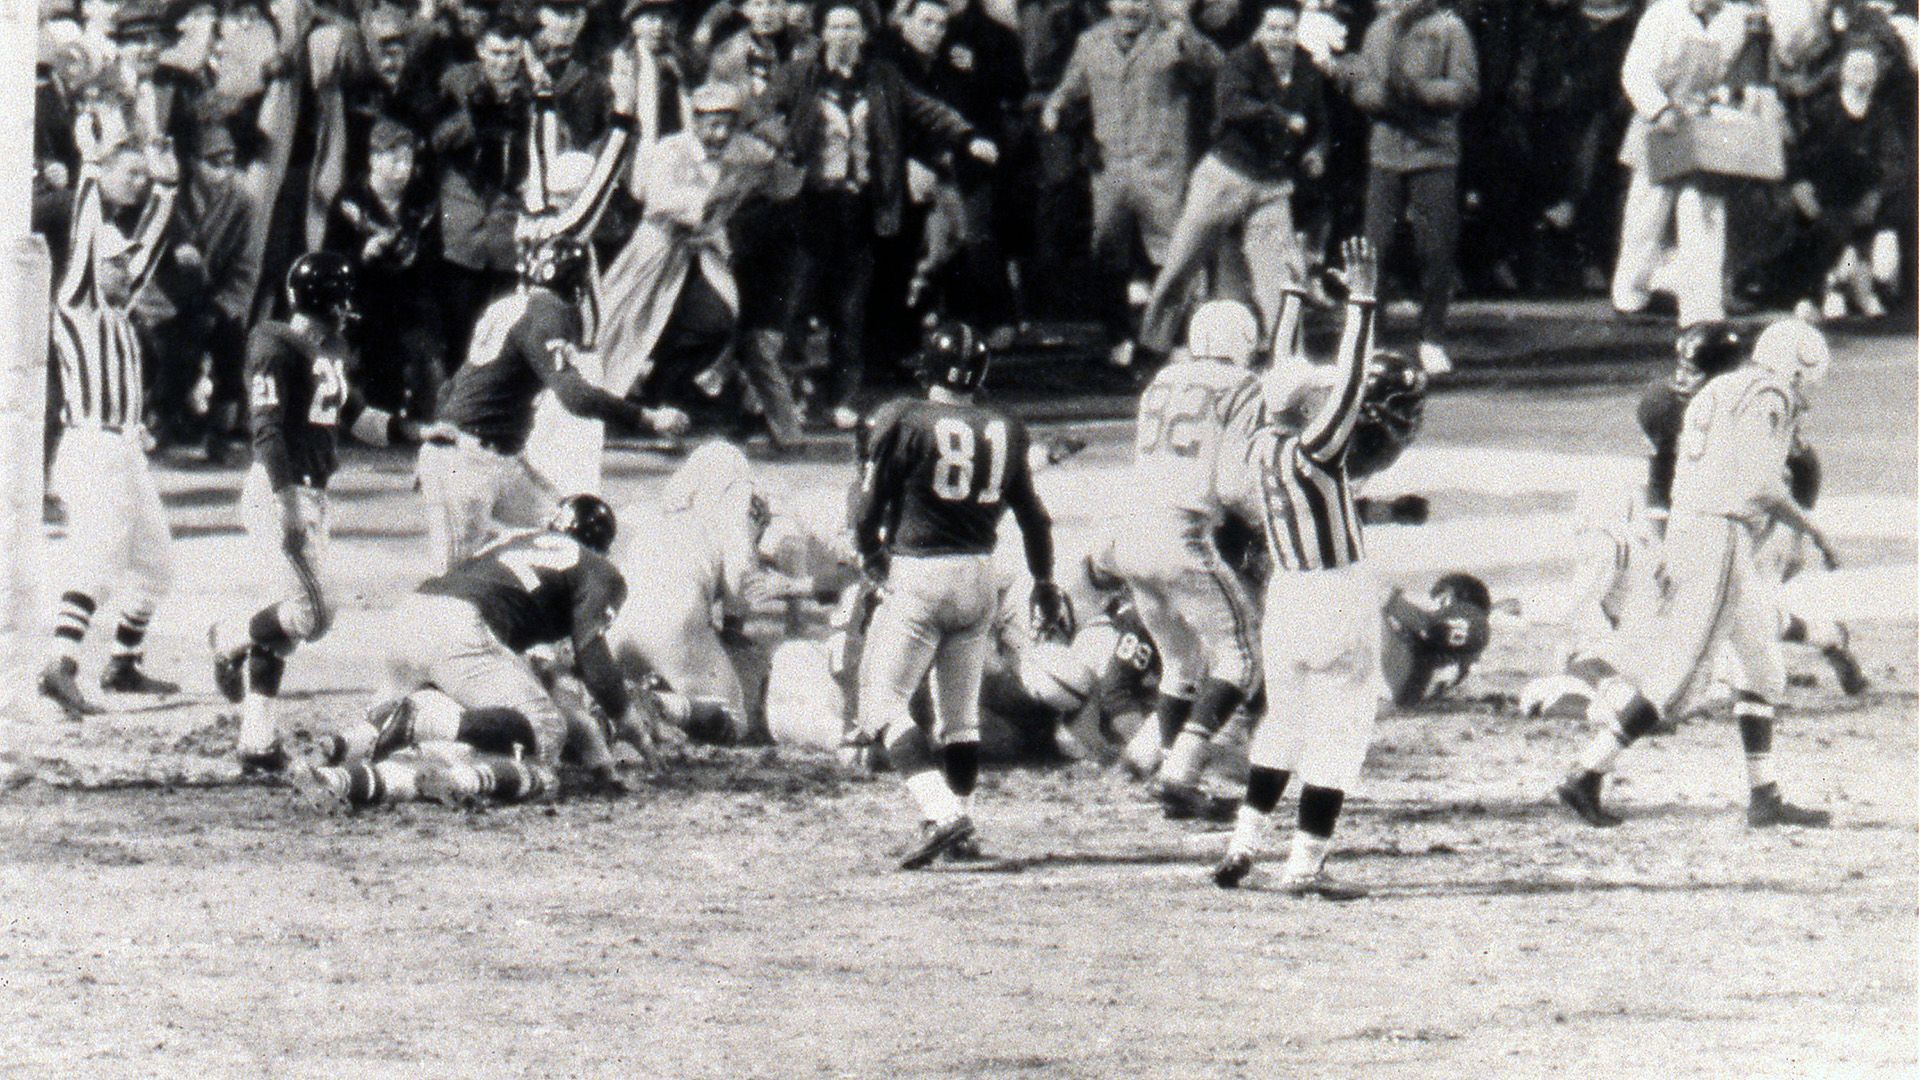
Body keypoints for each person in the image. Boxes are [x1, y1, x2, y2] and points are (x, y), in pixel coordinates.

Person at [1555, 317, 1839, 830]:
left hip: (1698, 527)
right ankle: (1587, 773)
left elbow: (1683, 472)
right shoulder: (1769, 394)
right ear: (1799, 368)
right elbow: (1759, 485)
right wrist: (1814, 530)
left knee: (1762, 670)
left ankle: (1765, 795)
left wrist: (1676, 540)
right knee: (1680, 677)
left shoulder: (1721, 388)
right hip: (1721, 536)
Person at [1210, 237, 1428, 899]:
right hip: (1335, 593)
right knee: (1338, 735)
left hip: (1287, 595)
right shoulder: (1315, 452)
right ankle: (1304, 864)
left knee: (1283, 725)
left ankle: (1242, 844)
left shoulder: (1262, 444)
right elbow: (1353, 381)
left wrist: (1294, 295)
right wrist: (1362, 301)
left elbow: (1282, 367)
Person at [848, 322, 1070, 868]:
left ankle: (943, 812)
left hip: (921, 571)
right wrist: (1043, 583)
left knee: (879, 704)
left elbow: (868, 507)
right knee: (960, 716)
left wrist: (870, 551)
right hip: (981, 572)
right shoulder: (1007, 426)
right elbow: (1035, 519)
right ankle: (962, 825)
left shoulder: (905, 417)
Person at [208, 253, 428, 770]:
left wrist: (415, 430)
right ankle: (229, 635)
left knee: (289, 619)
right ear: (333, 303)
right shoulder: (273, 342)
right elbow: (266, 429)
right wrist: (286, 501)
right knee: (313, 614)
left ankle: (256, 739)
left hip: (308, 493)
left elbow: (355, 418)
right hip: (282, 490)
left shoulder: (322, 350)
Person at [296, 495, 658, 809]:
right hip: (461, 629)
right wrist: (627, 725)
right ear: (601, 546)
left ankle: (337, 756)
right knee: (543, 732)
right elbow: (590, 660)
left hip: (412, 613)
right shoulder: (596, 570)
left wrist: (601, 764)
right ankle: (421, 727)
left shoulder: (514, 540)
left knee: (432, 730)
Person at [418, 236, 689, 573]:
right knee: (454, 580)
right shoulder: (549, 311)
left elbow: (452, 387)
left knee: (568, 526)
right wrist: (647, 418)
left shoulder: (507, 306)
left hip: (493, 457)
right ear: (577, 284)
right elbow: (575, 397)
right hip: (466, 461)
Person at [37, 115, 181, 719]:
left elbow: (144, 249)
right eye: (114, 264)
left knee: (157, 562)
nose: (125, 271)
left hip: (123, 448)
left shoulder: (120, 312)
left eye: (128, 265)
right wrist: (92, 169)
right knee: (98, 557)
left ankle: (122, 663)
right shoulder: (76, 302)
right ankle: (60, 665)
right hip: (89, 447)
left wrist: (168, 191)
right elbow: (85, 231)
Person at [1100, 299, 1265, 818]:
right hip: (1181, 536)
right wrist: (1270, 520)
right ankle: (1182, 771)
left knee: (1181, 660)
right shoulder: (1243, 388)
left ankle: (1141, 756)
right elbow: (1234, 487)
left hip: (1129, 532)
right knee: (1241, 656)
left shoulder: (1161, 382)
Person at [1140, 0, 1330, 357]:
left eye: (1287, 29)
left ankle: (1289, 356)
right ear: (1262, 29)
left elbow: (1319, 124)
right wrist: (1280, 116)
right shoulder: (1241, 62)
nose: (1279, 37)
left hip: (1271, 186)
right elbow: (1233, 106)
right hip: (1224, 177)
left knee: (1280, 278)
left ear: (1296, 30)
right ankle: (1152, 343)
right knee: (1182, 260)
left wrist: (1316, 151)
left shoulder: (1306, 70)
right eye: (1272, 29)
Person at [1041, 0, 1222, 363]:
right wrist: (1056, 105)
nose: (1131, 7)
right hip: (1110, 170)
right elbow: (1073, 84)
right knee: (1109, 252)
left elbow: (1213, 66)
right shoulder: (1091, 42)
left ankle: (1172, 340)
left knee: (1173, 255)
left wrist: (1183, 24)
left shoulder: (1172, 37)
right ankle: (1118, 338)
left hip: (1161, 167)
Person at [1324, 0, 1478, 376]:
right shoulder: (1379, 29)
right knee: (1375, 246)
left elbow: (1465, 88)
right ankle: (1368, 337)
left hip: (1435, 153)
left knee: (1436, 247)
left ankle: (1432, 338)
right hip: (1386, 154)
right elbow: (1364, 87)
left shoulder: (1450, 29)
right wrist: (1383, 100)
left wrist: (1418, 91)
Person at [1607, 0, 1754, 328]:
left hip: (1702, 129)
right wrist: (1659, 110)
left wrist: (1721, 99)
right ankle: (1631, 293)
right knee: (1647, 213)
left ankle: (1702, 304)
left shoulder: (1733, 21)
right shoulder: (1662, 14)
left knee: (1703, 210)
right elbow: (1635, 72)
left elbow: (1726, 75)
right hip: (1659, 125)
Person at [1379, 572, 1491, 707]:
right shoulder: (1476, 629)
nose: (1439, 609)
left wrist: (1391, 601)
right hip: (1414, 693)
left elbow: (1434, 629)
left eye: (1442, 601)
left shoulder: (1473, 619)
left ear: (1451, 593)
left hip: (1406, 688)